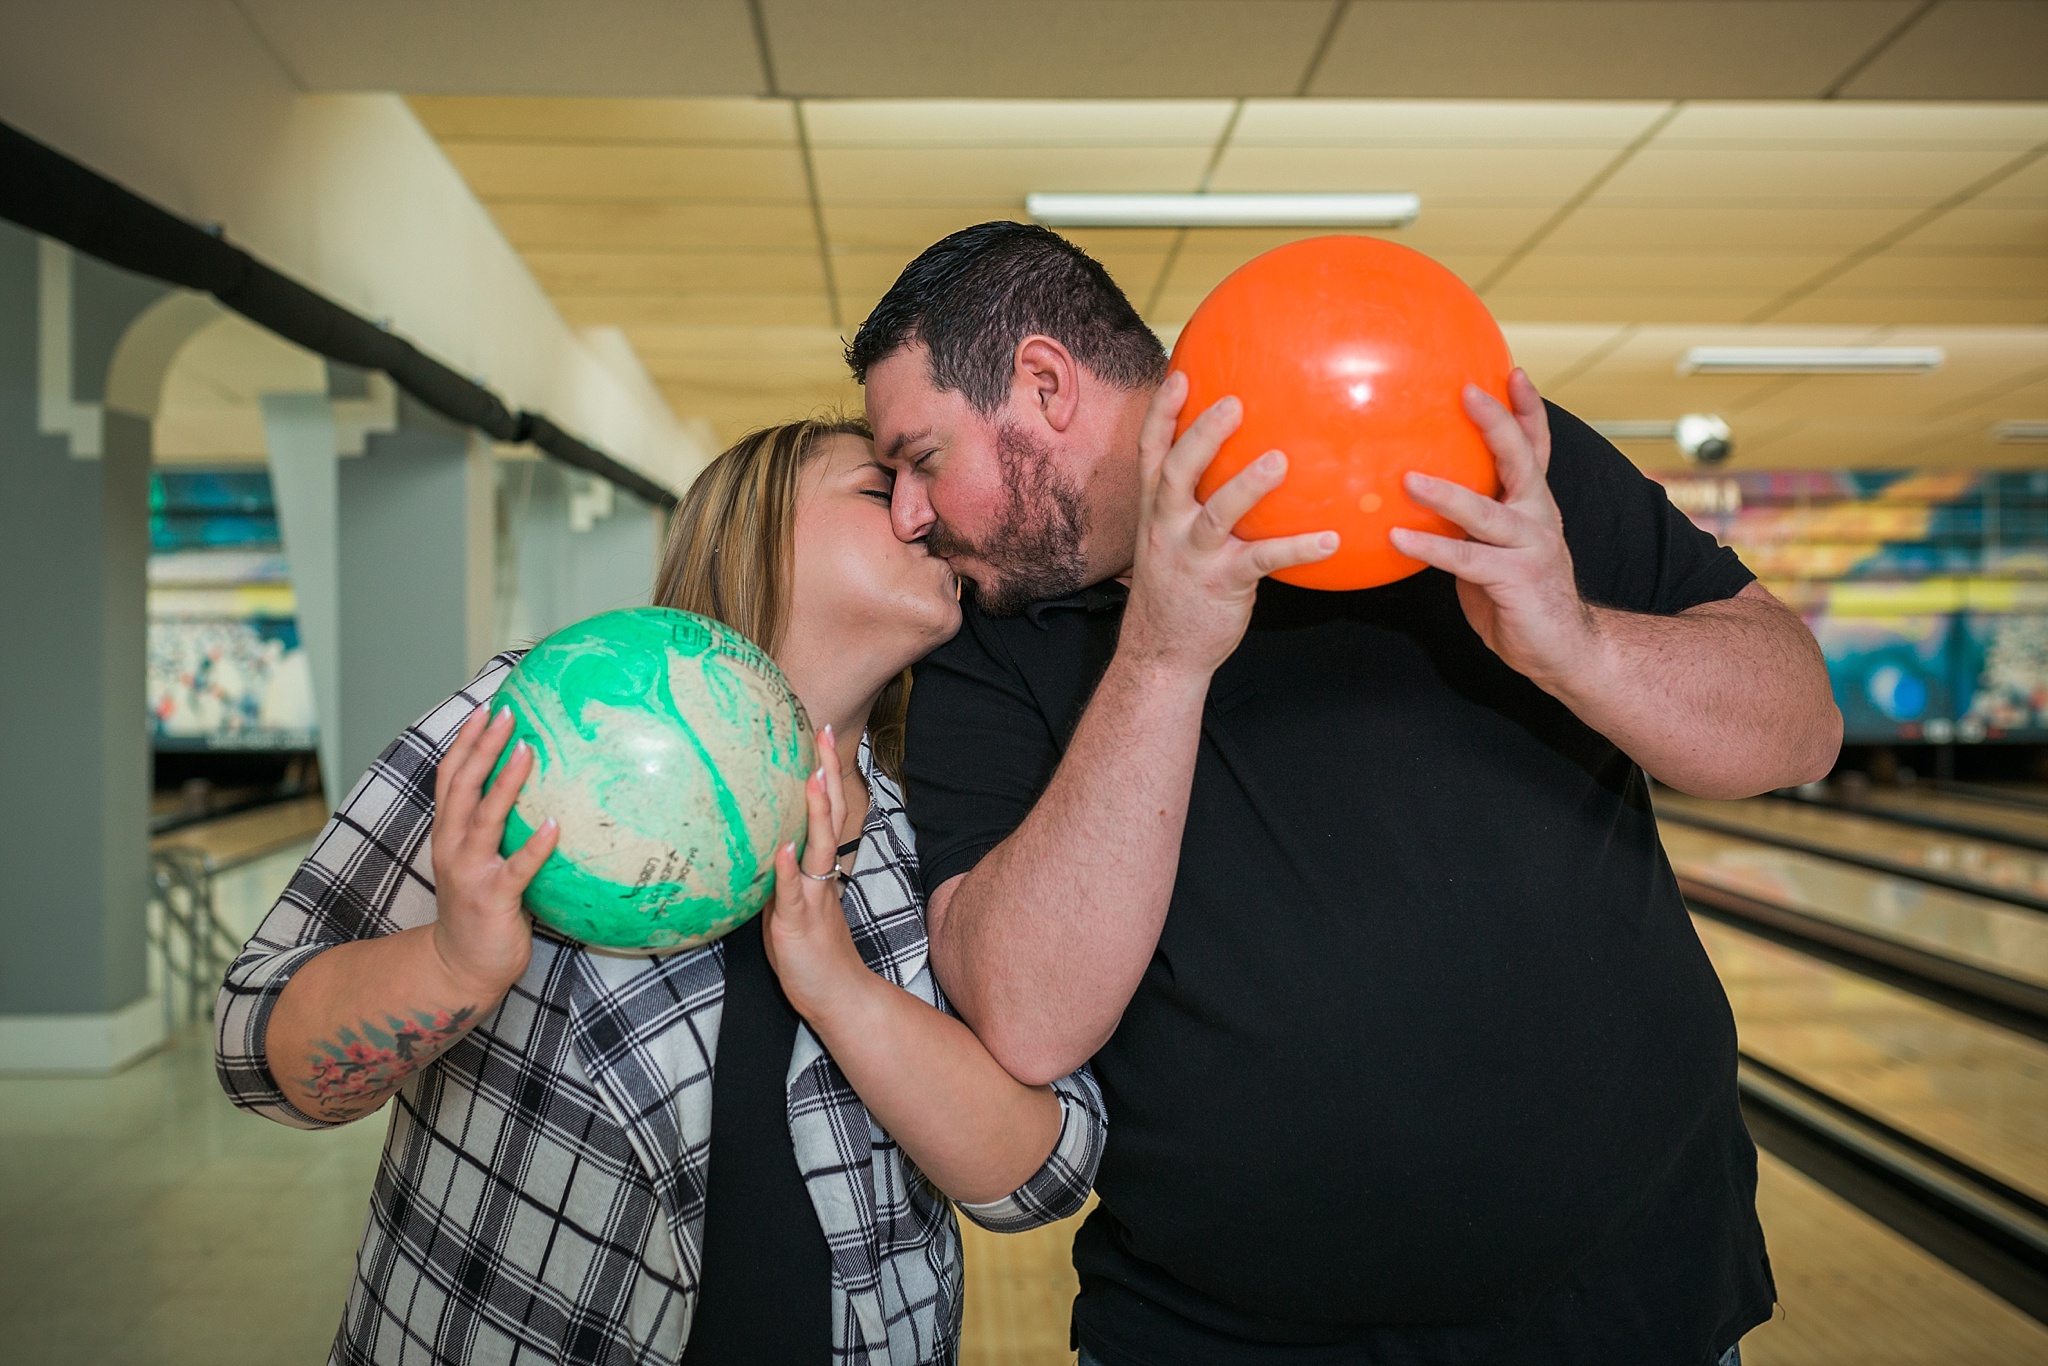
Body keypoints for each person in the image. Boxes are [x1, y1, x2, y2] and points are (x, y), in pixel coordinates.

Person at [846, 222, 1843, 1366]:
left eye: (921, 458)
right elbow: (1022, 1016)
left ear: (1041, 384)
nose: (908, 515)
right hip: (1217, 1337)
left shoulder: (1458, 448)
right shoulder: (990, 638)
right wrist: (1161, 657)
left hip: (1627, 1311)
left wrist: (1575, 644)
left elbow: (1800, 725)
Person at [214, 417, 1106, 1366]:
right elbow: (252, 1049)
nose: (929, 512)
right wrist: (449, 963)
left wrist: (839, 988)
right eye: (880, 491)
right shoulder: (540, 722)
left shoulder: (934, 835)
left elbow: (1040, 1177)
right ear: (753, 535)